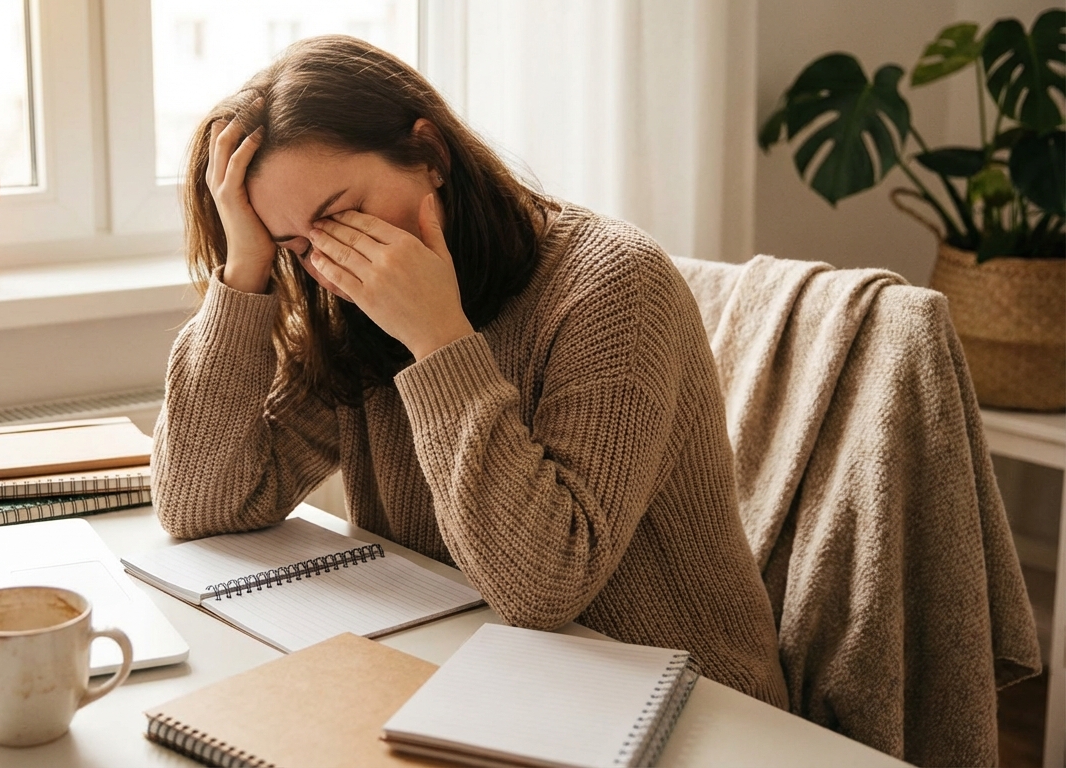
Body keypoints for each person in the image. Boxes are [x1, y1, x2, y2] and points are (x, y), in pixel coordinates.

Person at [152, 35, 788, 708]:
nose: (330, 264)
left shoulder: (614, 286)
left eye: (339, 215)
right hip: (477, 681)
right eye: (297, 244)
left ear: (429, 154)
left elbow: (543, 589)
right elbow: (200, 507)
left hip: (687, 703)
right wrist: (245, 270)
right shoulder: (348, 303)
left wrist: (437, 339)